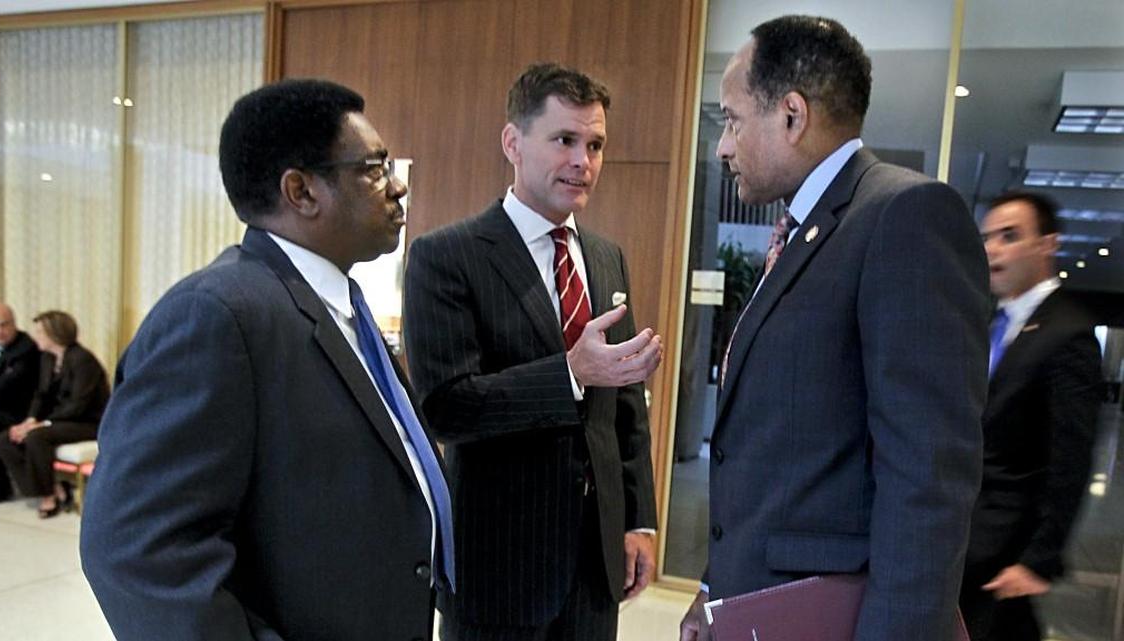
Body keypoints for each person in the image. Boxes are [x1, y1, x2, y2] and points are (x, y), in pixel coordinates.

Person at [81, 78, 449, 641]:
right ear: (301, 192)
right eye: (374, 168)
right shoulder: (216, 315)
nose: (397, 187)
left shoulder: (339, 304)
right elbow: (138, 552)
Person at [678, 15, 990, 641]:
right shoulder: (806, 231)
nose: (723, 146)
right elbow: (775, 452)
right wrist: (716, 590)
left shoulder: (904, 217)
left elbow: (927, 477)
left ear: (792, 115)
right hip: (758, 606)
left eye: (733, 120)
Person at [403, 62, 661, 641]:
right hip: (500, 565)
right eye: (564, 140)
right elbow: (447, 406)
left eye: (595, 145)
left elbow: (626, 409)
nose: (582, 161)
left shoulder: (606, 256)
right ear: (513, 144)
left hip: (594, 568)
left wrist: (639, 519)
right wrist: (569, 374)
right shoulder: (445, 257)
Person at [959, 191, 1102, 641]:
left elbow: (1071, 457)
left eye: (1009, 236)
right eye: (987, 239)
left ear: (1048, 244)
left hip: (1004, 550)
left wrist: (1039, 559)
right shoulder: (993, 326)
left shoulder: (1068, 333)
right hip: (968, 539)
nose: (993, 250)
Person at [0, 310, 107, 517]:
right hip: (60, 420)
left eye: (40, 333)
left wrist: (42, 424)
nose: (35, 337)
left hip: (88, 422)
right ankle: (52, 488)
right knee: (5, 439)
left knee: (37, 437)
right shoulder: (47, 358)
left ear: (55, 334)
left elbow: (78, 405)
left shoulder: (83, 360)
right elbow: (41, 395)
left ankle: (48, 497)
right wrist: (29, 420)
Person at [0, 301, 41, 504]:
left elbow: (8, 384)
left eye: (4, 325)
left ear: (14, 323)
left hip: (16, 411)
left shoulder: (26, 347)